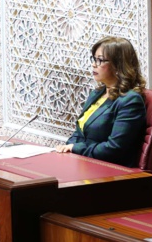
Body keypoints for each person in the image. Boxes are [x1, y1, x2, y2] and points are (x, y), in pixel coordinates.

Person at [54, 36, 146, 167]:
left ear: (118, 65)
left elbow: (114, 148)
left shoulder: (130, 101)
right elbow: (79, 132)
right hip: (84, 163)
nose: (94, 64)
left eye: (100, 60)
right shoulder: (97, 94)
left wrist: (76, 148)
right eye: (94, 59)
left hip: (110, 172)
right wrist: (68, 147)